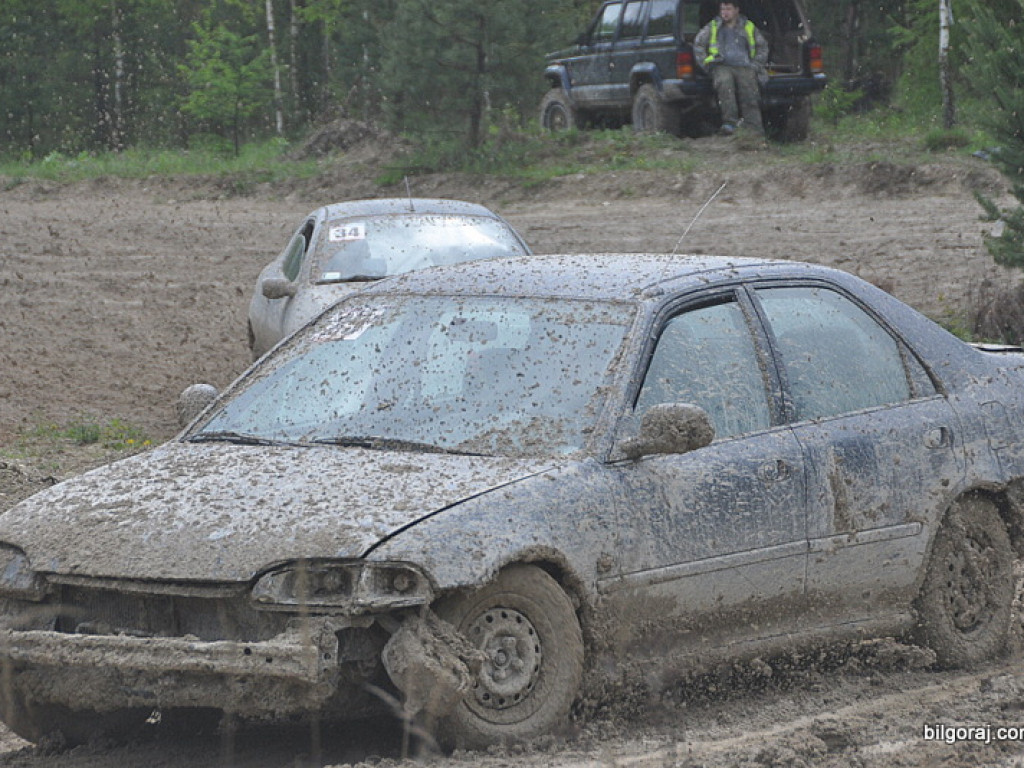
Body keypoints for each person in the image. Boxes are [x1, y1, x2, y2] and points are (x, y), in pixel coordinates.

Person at [694, 2, 769, 136]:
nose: (724, 12)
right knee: (725, 85)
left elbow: (762, 46)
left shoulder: (748, 26)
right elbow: (698, 44)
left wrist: (756, 65)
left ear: (736, 10)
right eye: (722, 9)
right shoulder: (713, 26)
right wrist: (706, 64)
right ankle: (730, 125)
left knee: (750, 92)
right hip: (721, 65)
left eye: (728, 9)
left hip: (745, 66)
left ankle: (754, 130)